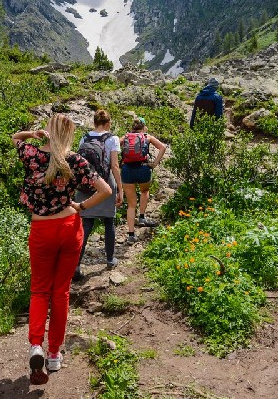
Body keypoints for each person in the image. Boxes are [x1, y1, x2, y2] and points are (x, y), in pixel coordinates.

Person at [12, 114, 111, 385]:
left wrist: (32, 134)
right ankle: (54, 354)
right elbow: (105, 190)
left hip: (42, 230)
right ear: (69, 134)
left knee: (39, 290)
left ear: (49, 130)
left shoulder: (31, 154)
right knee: (61, 292)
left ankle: (36, 345)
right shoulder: (75, 160)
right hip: (69, 227)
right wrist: (82, 206)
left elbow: (15, 138)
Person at [73, 109, 124, 281]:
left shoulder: (84, 138)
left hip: (86, 185)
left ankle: (76, 266)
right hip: (106, 183)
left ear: (94, 123)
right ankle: (110, 260)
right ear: (108, 123)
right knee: (109, 221)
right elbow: (114, 166)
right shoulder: (113, 139)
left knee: (86, 225)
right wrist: (120, 189)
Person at [120, 118, 167, 243]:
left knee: (131, 204)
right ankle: (141, 217)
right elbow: (163, 147)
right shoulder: (147, 137)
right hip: (143, 168)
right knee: (144, 191)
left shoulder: (125, 137)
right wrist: (154, 164)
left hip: (127, 170)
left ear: (132, 127)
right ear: (144, 127)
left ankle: (131, 235)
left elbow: (114, 147)